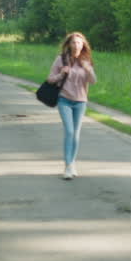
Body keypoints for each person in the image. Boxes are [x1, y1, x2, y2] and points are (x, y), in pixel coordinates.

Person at [48, 32, 96, 179]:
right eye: (74, 43)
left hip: (80, 102)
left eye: (80, 43)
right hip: (64, 100)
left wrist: (88, 69)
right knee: (69, 131)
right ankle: (68, 166)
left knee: (76, 134)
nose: (77, 46)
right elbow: (50, 79)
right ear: (69, 44)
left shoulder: (86, 61)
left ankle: (72, 163)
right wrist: (61, 74)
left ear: (83, 46)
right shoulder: (60, 59)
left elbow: (93, 81)